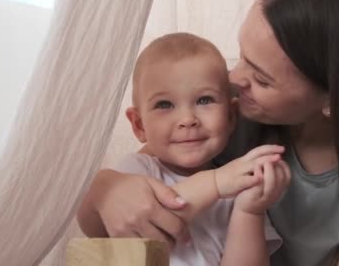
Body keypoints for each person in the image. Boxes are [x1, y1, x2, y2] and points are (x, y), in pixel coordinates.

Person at [77, 0, 339, 266]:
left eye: (262, 78)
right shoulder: (222, 117)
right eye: (241, 56)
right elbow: (149, 178)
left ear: (335, 99)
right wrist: (105, 188)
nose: (233, 79)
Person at [79, 32, 289, 265]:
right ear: (139, 125)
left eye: (204, 100)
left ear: (231, 116)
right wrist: (217, 182)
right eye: (164, 105)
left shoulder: (237, 187)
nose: (187, 119)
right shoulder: (137, 171)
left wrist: (249, 211)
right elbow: (147, 218)